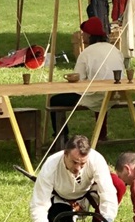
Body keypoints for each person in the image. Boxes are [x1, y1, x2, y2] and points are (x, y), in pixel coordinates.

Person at [30, 135, 123, 222]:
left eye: (83, 163)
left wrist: (107, 221)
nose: (78, 168)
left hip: (88, 194)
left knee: (117, 184)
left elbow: (107, 192)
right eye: (74, 162)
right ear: (65, 154)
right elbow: (40, 201)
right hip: (62, 199)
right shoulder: (51, 165)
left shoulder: (96, 160)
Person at [49, 17, 125, 146]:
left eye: (84, 33)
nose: (82, 35)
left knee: (55, 101)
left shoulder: (86, 53)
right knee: (99, 95)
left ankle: (61, 137)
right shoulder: (115, 50)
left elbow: (78, 78)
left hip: (97, 95)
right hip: (117, 95)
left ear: (89, 35)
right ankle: (102, 134)